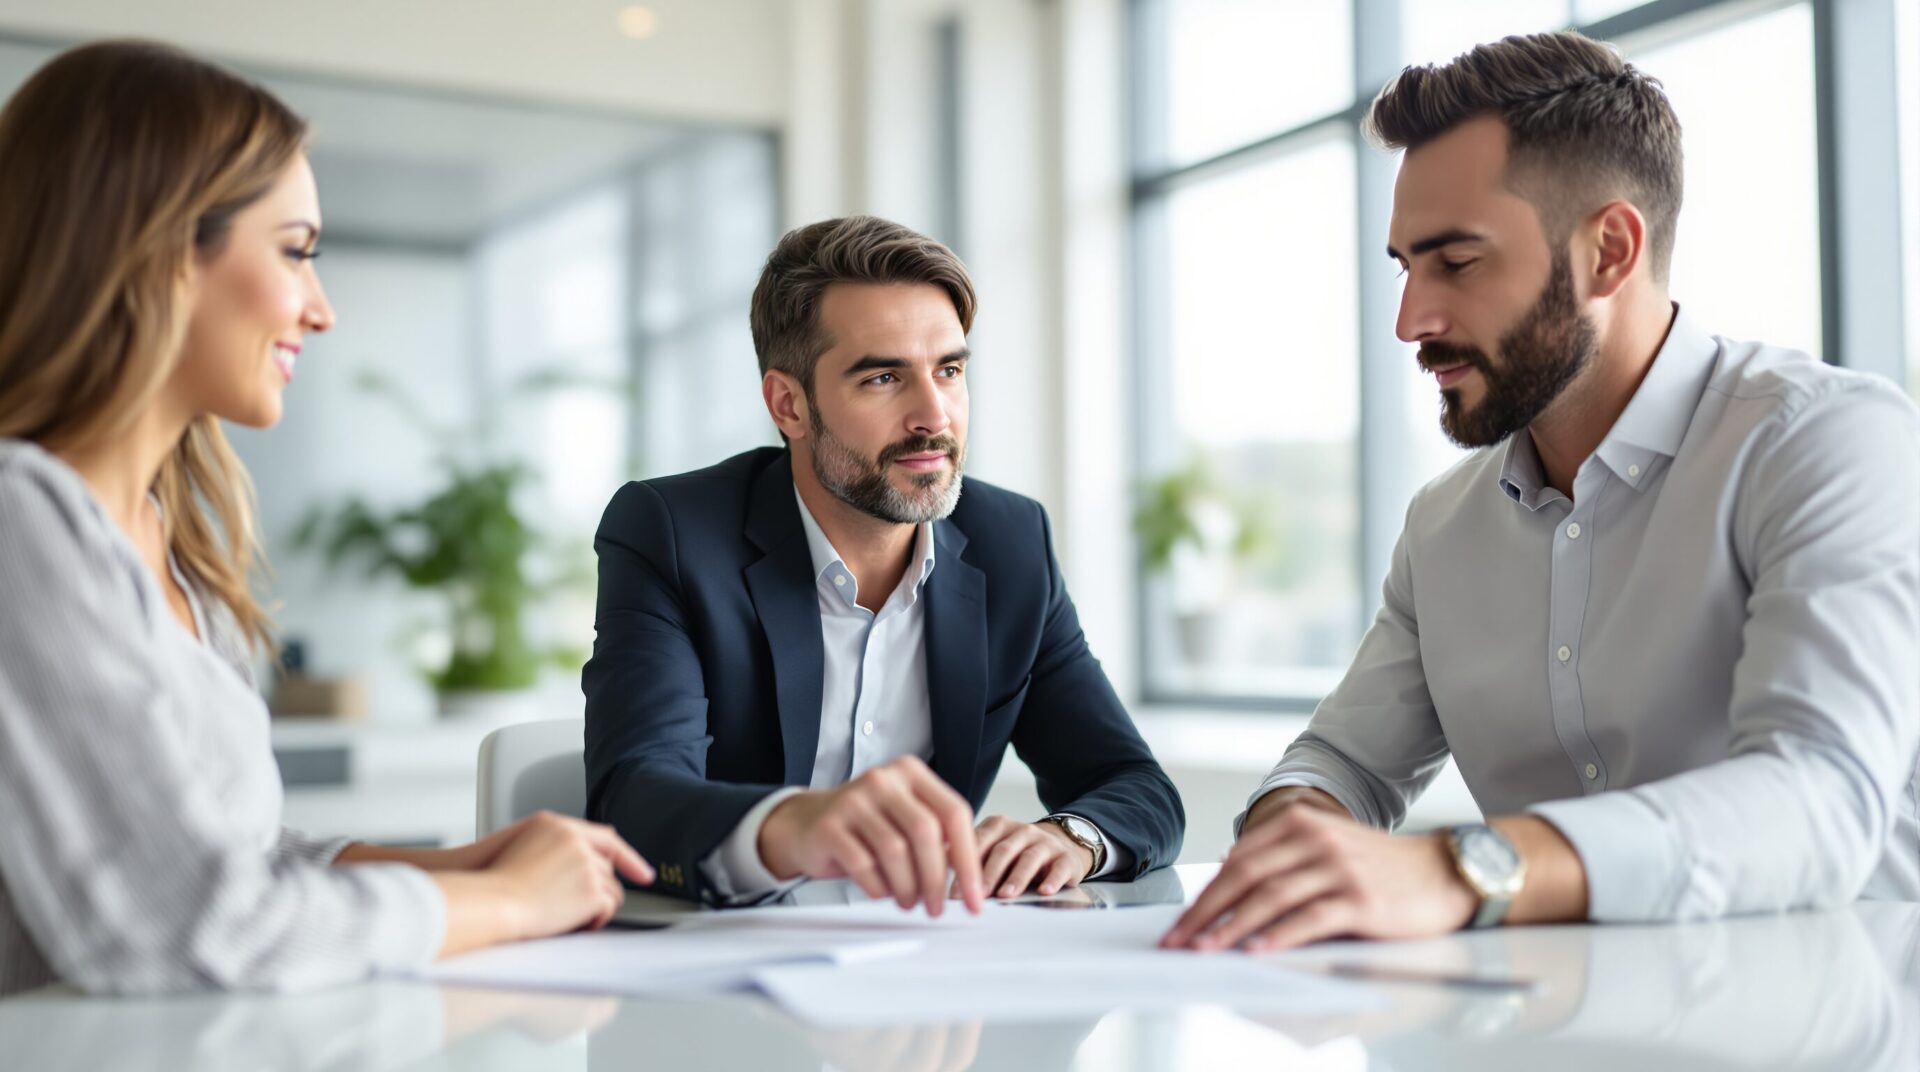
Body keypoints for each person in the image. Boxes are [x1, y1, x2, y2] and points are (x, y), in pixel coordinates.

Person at [1163, 30, 1920, 953]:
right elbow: (1345, 762)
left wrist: (1464, 869)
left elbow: (1820, 794)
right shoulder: (1443, 527)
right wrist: (1298, 837)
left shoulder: (1826, 442)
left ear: (1609, 250)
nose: (1411, 322)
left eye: (1458, 263)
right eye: (1405, 267)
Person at [0, 41, 654, 997]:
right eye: (295, 251)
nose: (321, 309)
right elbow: (185, 931)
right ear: (160, 250)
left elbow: (239, 860)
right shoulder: (23, 522)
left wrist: (466, 867)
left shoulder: (174, 553)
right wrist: (508, 905)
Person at [583, 215, 1184, 910]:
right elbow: (632, 799)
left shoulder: (1011, 541)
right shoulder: (674, 533)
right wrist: (795, 829)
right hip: (721, 974)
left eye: (950, 371)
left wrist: (1073, 836)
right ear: (789, 405)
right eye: (882, 379)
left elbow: (1137, 786)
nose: (934, 416)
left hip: (924, 975)